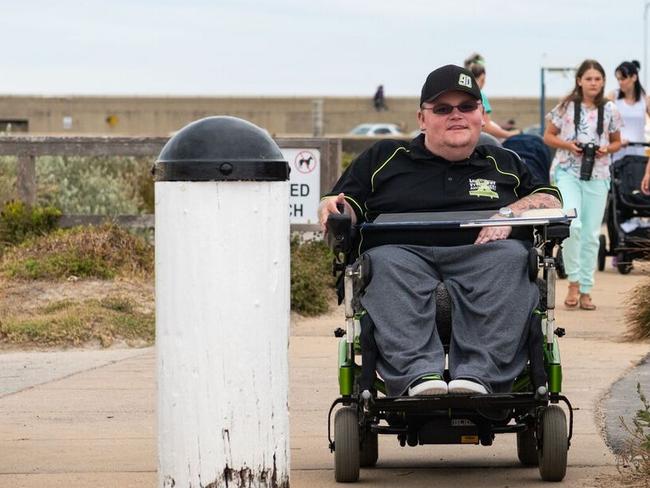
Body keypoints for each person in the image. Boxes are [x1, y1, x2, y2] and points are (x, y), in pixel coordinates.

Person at [319, 65, 562, 398]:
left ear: (481, 114)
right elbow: (343, 203)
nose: (456, 116)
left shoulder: (505, 162)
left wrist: (510, 212)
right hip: (402, 257)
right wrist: (333, 206)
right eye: (443, 109)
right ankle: (418, 374)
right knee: (383, 263)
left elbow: (550, 199)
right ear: (422, 118)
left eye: (466, 107)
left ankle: (479, 374)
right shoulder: (384, 158)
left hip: (487, 256)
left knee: (513, 259)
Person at [543, 59, 622, 311]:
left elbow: (618, 142)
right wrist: (569, 145)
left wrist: (605, 149)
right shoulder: (566, 106)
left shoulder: (610, 109)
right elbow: (548, 136)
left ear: (603, 82)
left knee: (590, 234)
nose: (593, 83)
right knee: (573, 226)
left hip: (597, 174)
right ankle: (574, 281)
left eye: (598, 79)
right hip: (568, 171)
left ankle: (587, 288)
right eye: (588, 78)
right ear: (579, 81)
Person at [463, 54, 520, 141]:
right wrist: (510, 134)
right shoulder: (479, 95)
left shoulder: (462, 94)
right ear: (482, 77)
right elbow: (485, 127)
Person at [608, 61, 650, 161]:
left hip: (639, 156)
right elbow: (604, 124)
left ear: (634, 77)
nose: (620, 82)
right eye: (618, 79)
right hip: (617, 155)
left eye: (623, 78)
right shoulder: (613, 97)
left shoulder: (645, 99)